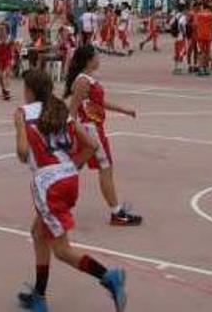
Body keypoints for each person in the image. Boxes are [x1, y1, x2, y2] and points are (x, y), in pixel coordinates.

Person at [14, 70, 127, 312]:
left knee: (62, 250)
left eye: (24, 88)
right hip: (69, 178)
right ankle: (39, 294)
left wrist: (24, 139)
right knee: (37, 233)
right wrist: (71, 166)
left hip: (48, 184)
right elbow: (92, 144)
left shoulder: (23, 113)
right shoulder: (60, 111)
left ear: (30, 91)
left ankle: (109, 275)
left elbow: (23, 153)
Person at [65, 46, 143, 226]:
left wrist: (124, 110)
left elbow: (99, 102)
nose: (99, 59)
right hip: (90, 129)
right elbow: (73, 109)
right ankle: (116, 212)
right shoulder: (82, 81)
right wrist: (71, 133)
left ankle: (55, 197)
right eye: (96, 56)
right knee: (105, 168)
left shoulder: (88, 80)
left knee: (74, 166)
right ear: (88, 60)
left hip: (93, 128)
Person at [0, 22, 16, 100]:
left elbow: (13, 49)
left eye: (3, 29)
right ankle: (3, 90)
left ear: (6, 30)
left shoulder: (10, 38)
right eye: (0, 29)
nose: (1, 30)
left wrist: (13, 59)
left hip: (7, 58)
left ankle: (7, 91)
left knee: (7, 74)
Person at [193, 3, 212, 75]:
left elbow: (195, 25)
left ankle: (201, 68)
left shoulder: (198, 15)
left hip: (200, 36)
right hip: (208, 35)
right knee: (207, 52)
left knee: (201, 52)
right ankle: (207, 68)